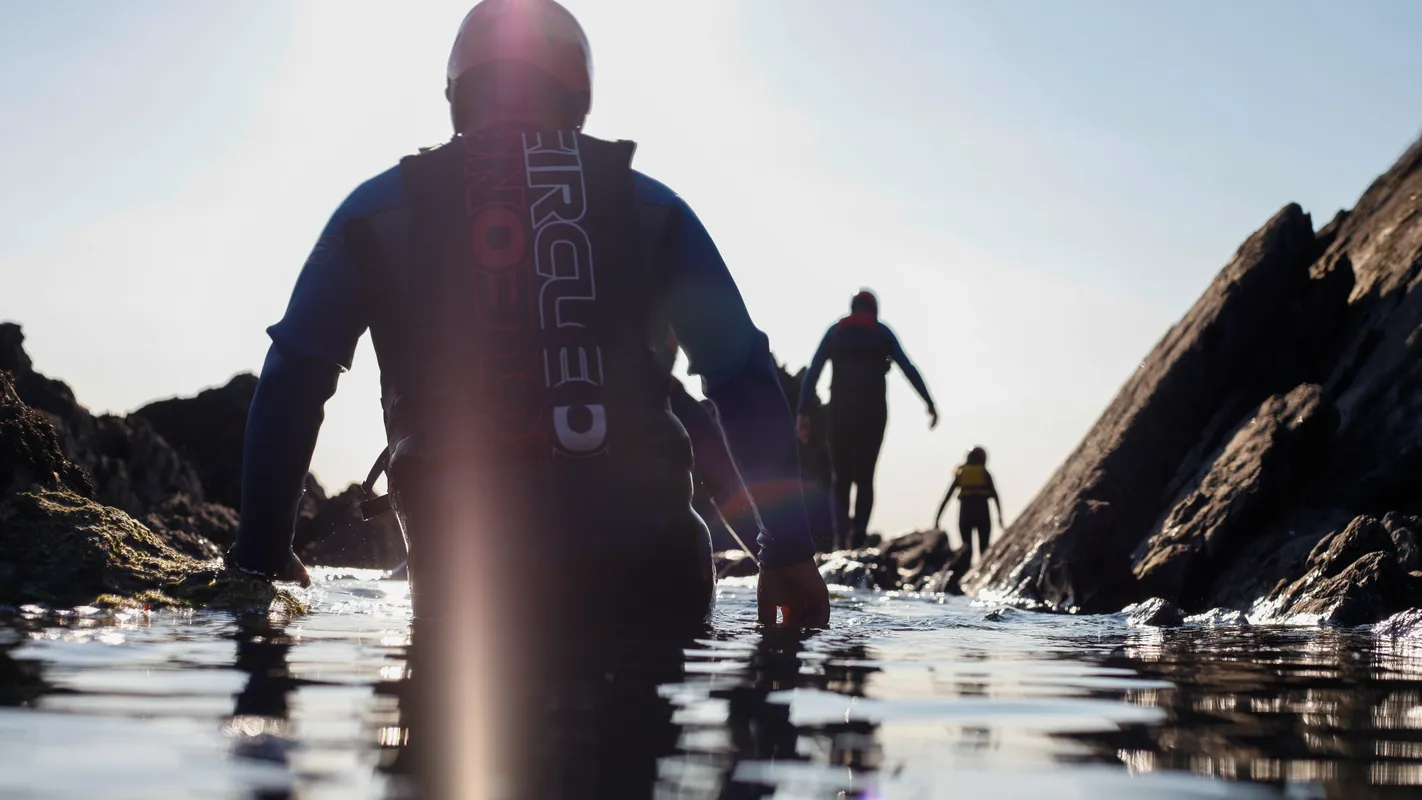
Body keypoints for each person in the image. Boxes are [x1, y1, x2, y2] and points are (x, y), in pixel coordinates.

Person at [224, 0, 829, 792]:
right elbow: (742, 374)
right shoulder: (654, 209)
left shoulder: (375, 211)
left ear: (456, 92)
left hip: (472, 582)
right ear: (579, 94)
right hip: (658, 577)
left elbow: (294, 378)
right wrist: (786, 555)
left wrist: (264, 554)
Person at [796, 290, 937, 550]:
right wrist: (928, 402)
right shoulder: (882, 332)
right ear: (874, 309)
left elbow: (813, 371)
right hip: (873, 414)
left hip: (840, 413)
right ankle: (858, 537)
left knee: (841, 478)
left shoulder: (835, 332)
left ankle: (840, 543)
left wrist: (803, 412)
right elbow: (908, 367)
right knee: (865, 477)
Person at [933, 446, 1004, 564]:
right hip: (982, 511)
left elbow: (947, 497)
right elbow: (995, 495)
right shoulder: (984, 472)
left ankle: (966, 575)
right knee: (984, 549)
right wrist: (1000, 517)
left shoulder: (961, 473)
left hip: (966, 512)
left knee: (967, 549)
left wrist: (937, 519)